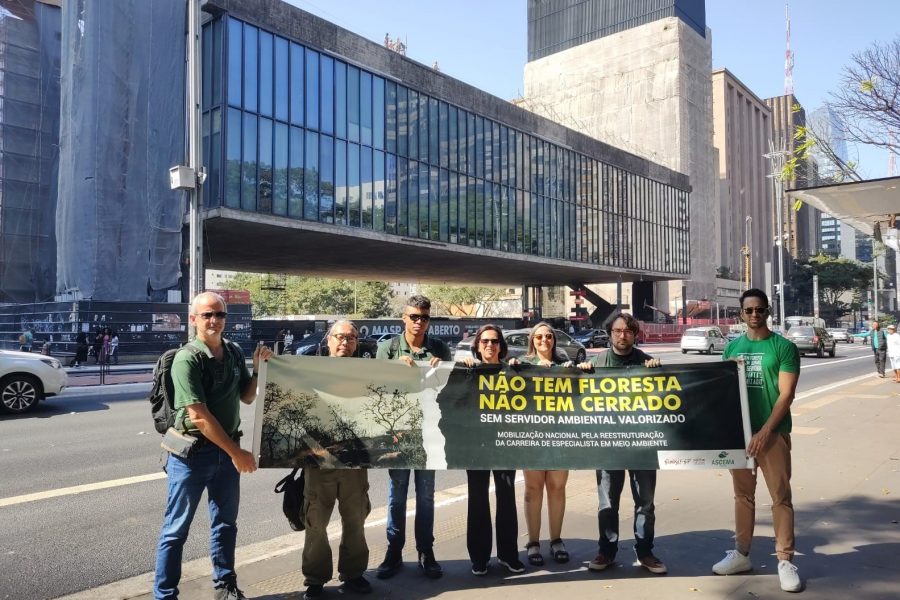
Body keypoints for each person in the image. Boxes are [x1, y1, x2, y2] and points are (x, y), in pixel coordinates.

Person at [153, 292, 273, 600]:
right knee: (175, 531)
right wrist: (238, 453)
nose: (214, 320)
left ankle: (224, 586)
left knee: (225, 525)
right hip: (192, 455)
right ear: (193, 319)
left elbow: (246, 396)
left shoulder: (232, 351)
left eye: (219, 315)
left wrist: (259, 369)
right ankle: (164, 595)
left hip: (226, 453)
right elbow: (199, 415)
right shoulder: (187, 358)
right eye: (207, 315)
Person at [712, 288, 802, 593]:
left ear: (768, 311)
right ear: (741, 313)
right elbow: (723, 393)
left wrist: (765, 432)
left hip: (772, 435)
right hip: (740, 436)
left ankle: (785, 560)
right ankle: (742, 553)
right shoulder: (731, 348)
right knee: (742, 496)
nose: (754, 315)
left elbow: (786, 395)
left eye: (759, 309)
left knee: (780, 497)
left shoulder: (783, 348)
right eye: (748, 310)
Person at [576, 313, 667, 575]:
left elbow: (666, 399)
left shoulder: (648, 362)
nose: (622, 335)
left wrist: (658, 373)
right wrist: (581, 375)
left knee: (645, 503)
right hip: (608, 445)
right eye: (617, 331)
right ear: (610, 334)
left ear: (635, 334)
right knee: (607, 503)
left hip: (643, 445)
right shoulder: (596, 363)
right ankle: (606, 551)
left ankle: (645, 552)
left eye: (628, 331)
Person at [375, 294, 450, 580]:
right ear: (403, 319)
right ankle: (394, 551)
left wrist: (442, 370)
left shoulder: (440, 348)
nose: (419, 322)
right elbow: (375, 389)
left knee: (426, 497)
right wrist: (394, 371)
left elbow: (452, 389)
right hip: (397, 434)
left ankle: (426, 551)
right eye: (414, 317)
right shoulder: (388, 348)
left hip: (430, 434)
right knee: (397, 496)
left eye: (425, 317)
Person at [302, 320, 372, 599]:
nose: (346, 342)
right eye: (340, 337)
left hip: (355, 463)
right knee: (316, 521)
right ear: (328, 340)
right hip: (319, 462)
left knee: (355, 519)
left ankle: (353, 574)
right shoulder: (308, 371)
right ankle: (315, 579)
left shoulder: (367, 374)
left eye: (352, 338)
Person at [459, 325, 526, 576]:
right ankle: (479, 557)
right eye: (485, 341)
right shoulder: (467, 371)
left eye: (495, 341)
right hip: (476, 446)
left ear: (501, 346)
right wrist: (463, 367)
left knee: (507, 498)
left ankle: (508, 555)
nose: (490, 345)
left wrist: (520, 367)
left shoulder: (512, 371)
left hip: (505, 444)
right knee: (477, 499)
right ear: (477, 345)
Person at [508, 321, 572, 566]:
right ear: (532, 341)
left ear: (554, 340)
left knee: (557, 488)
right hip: (532, 437)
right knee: (533, 490)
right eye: (538, 337)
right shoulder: (522, 365)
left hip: (560, 437)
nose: (544, 340)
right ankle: (533, 542)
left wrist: (580, 369)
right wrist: (513, 368)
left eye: (548, 336)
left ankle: (556, 540)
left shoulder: (565, 365)